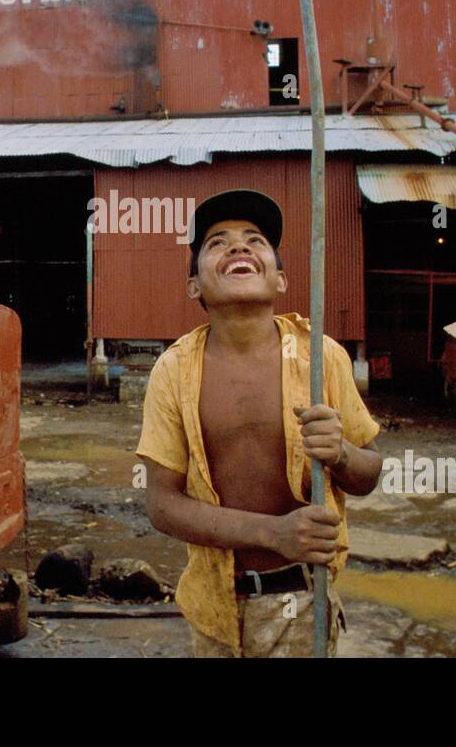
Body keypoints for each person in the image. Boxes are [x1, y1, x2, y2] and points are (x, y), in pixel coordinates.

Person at [136, 188, 384, 657]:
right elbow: (162, 505)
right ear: (194, 287)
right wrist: (272, 533)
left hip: (303, 601)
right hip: (214, 606)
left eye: (255, 240)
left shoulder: (320, 357)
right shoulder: (174, 370)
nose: (239, 247)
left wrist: (342, 454)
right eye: (217, 243)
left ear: (281, 280)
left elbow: (368, 472)